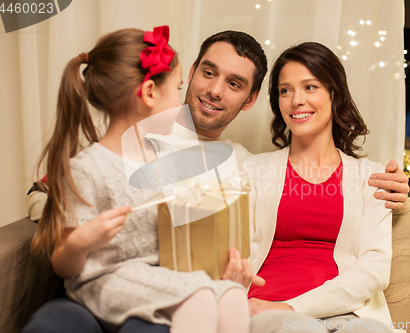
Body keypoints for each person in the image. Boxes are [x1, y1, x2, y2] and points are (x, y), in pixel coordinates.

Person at [24, 30, 409, 333]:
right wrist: (71, 222)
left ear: (251, 99)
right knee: (56, 324)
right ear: (189, 74)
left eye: (235, 83)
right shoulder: (131, 137)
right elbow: (51, 194)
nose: (214, 90)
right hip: (110, 286)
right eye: (209, 73)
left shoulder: (238, 163)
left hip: (182, 299)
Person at [23, 26, 251, 333]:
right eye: (177, 89)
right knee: (198, 296)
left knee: (233, 295)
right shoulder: (87, 167)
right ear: (148, 94)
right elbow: (64, 265)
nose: (181, 100)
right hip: (102, 281)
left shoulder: (166, 159)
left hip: (151, 277)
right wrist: (81, 241)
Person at [242, 42, 395, 332]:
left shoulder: (372, 177)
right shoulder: (253, 170)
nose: (296, 100)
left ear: (333, 94)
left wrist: (296, 306)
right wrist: (284, 310)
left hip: (348, 313)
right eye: (285, 90)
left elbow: (374, 270)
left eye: (310, 87)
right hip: (268, 309)